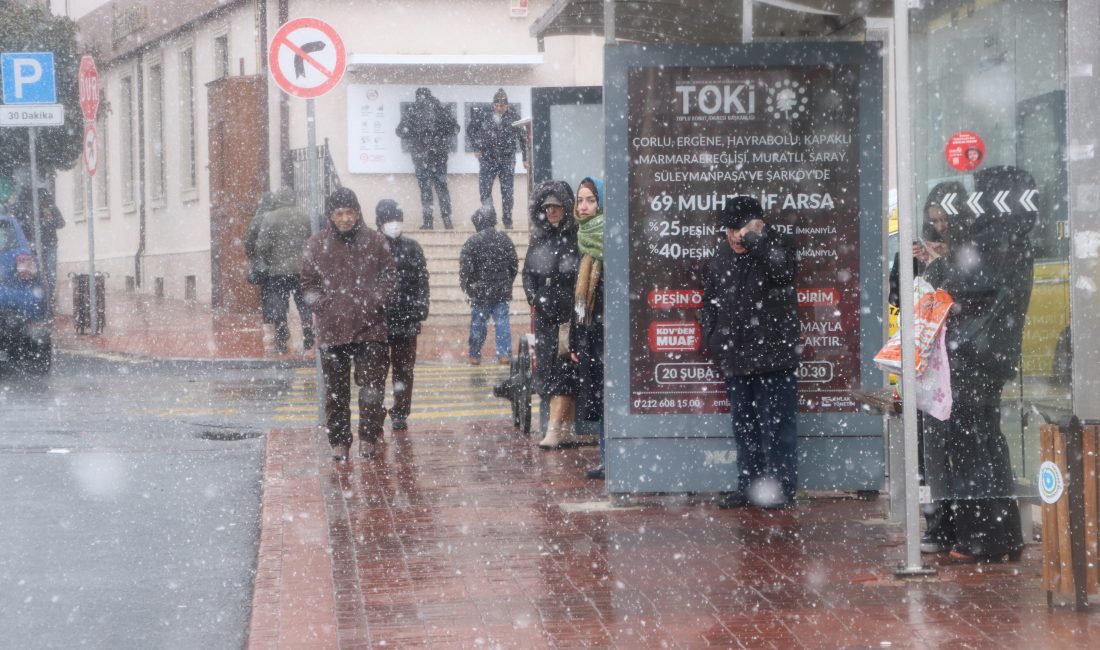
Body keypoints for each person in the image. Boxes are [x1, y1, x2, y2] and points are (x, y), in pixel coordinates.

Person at [920, 166, 1036, 563]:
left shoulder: (992, 243)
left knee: (971, 444)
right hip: (990, 354)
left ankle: (981, 537)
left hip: (973, 355)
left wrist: (937, 266)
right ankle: (999, 533)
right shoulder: (1013, 240)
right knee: (986, 441)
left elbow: (960, 290)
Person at [700, 196, 800, 509]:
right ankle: (748, 486)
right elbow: (711, 299)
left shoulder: (777, 244)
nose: (732, 236)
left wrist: (756, 241)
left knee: (778, 428)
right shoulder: (722, 253)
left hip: (774, 358)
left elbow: (782, 272)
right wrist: (713, 335)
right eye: (727, 230)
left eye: (737, 229)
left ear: (757, 224)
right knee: (744, 427)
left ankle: (781, 489)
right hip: (735, 356)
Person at [301, 188, 395, 462]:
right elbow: (308, 285)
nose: (344, 218)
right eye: (339, 213)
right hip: (333, 329)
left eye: (349, 212)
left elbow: (389, 276)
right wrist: (325, 306)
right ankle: (339, 441)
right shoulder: (316, 245)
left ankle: (368, 437)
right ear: (330, 215)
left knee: (371, 388)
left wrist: (376, 302)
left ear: (358, 213)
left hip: (371, 326)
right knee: (336, 391)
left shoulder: (376, 242)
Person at [523, 180, 579, 449]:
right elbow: (527, 273)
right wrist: (534, 298)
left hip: (570, 315)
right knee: (551, 369)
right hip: (546, 314)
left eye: (557, 207)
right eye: (548, 208)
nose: (552, 212)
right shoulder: (540, 237)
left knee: (564, 370)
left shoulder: (576, 236)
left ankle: (555, 428)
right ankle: (566, 428)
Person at [375, 199, 430, 431]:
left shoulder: (412, 247)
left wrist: (420, 309)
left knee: (404, 370)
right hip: (378, 321)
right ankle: (375, 412)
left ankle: (400, 413)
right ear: (380, 223)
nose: (394, 224)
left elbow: (422, 281)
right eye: (389, 220)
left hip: (406, 319)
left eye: (397, 219)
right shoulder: (373, 247)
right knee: (376, 371)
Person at [568, 177, 607, 478]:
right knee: (602, 398)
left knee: (611, 396)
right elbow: (579, 301)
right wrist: (576, 339)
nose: (583, 206)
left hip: (609, 336)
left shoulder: (607, 238)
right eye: (580, 200)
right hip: (591, 335)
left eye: (591, 199)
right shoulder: (584, 239)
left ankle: (615, 458)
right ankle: (608, 458)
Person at [253, 187, 314, 354]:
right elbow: (311, 239)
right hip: (300, 269)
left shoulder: (269, 218)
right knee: (303, 303)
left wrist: (269, 261)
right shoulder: (303, 216)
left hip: (277, 270)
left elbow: (263, 245)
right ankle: (308, 331)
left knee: (279, 304)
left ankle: (281, 336)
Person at [459, 205, 518, 366]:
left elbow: (465, 268)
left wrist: (466, 286)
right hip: (501, 291)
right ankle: (504, 354)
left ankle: (475, 354)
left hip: (479, 292)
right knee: (502, 323)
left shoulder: (472, 241)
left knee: (478, 324)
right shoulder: (505, 239)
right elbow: (514, 265)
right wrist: (507, 283)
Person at [395, 87, 459, 230]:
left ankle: (428, 222)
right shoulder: (440, 108)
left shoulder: (413, 110)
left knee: (425, 189)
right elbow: (455, 128)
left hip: (420, 156)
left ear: (418, 97)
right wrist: (440, 135)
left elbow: (399, 131)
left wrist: (415, 134)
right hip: (439, 156)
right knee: (442, 188)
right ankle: (447, 221)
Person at [468, 88, 528, 229]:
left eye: (502, 106)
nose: (499, 108)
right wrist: (477, 147)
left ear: (507, 106)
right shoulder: (484, 115)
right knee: (485, 191)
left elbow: (523, 139)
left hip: (507, 159)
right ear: (493, 105)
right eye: (496, 105)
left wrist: (525, 158)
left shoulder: (514, 117)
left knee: (507, 192)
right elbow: (471, 129)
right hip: (487, 158)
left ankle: (507, 220)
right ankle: (490, 219)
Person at [14, 188, 65, 313]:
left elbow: (61, 223)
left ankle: (49, 300)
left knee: (51, 274)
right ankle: (38, 298)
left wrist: (51, 220)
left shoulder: (51, 209)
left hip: (50, 245)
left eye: (44, 200)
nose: (43, 202)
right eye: (41, 200)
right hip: (34, 247)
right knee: (34, 273)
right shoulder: (30, 210)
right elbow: (25, 225)